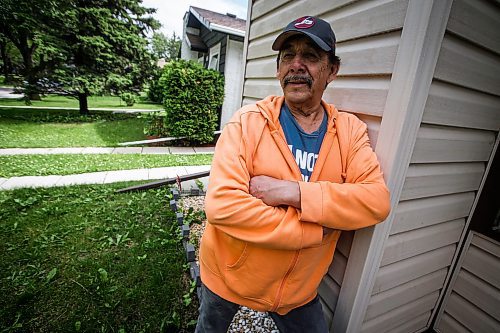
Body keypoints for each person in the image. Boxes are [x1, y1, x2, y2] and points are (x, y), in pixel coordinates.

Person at [195, 15, 391, 333]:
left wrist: (292, 192)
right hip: (227, 276)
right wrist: (314, 231)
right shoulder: (247, 123)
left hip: (298, 291)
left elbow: (375, 201)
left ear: (332, 70)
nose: (296, 64)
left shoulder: (350, 131)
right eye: (288, 55)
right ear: (278, 69)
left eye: (311, 56)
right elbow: (222, 206)